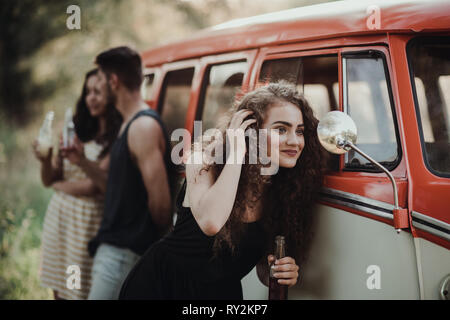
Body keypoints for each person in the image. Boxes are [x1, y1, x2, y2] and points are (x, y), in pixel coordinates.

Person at [118, 81, 327, 300]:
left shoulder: (285, 189)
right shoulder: (205, 161)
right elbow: (211, 222)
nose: (294, 141)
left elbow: (263, 271)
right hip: (163, 287)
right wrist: (237, 152)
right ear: (249, 131)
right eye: (281, 129)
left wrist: (281, 271)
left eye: (300, 131)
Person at [71, 46, 173, 300]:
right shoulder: (128, 124)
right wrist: (82, 161)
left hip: (123, 255)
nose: (96, 87)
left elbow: (161, 208)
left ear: (113, 81)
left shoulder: (142, 127)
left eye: (101, 80)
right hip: (115, 253)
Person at [33, 68, 122, 300]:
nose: (91, 97)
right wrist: (45, 160)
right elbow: (49, 178)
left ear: (112, 95)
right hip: (60, 219)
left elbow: (94, 187)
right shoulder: (74, 128)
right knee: (60, 289)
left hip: (88, 224)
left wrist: (59, 186)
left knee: (79, 291)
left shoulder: (119, 136)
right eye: (88, 92)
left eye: (98, 92)